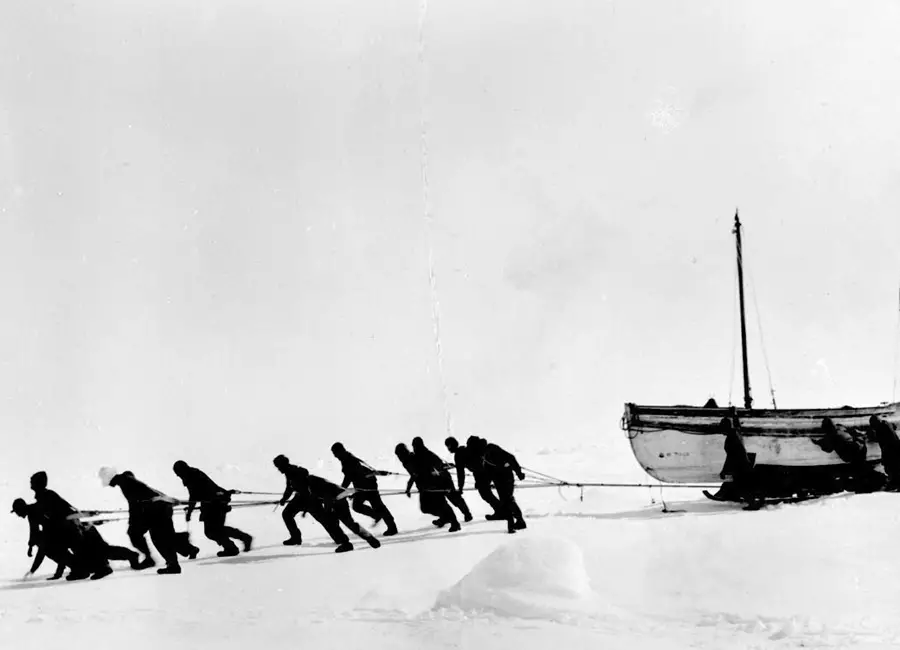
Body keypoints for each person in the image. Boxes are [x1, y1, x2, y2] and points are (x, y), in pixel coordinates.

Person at [100, 467, 199, 575]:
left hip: (157, 510)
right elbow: (139, 499)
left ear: (109, 478)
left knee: (158, 537)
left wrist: (166, 499)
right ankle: (187, 549)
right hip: (155, 509)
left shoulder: (126, 481)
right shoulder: (125, 480)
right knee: (160, 536)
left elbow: (143, 495)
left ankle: (170, 564)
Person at [273, 455, 381, 553]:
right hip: (336, 497)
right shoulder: (301, 479)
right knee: (344, 522)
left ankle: (349, 542)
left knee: (337, 521)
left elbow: (326, 496)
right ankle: (365, 539)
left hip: (336, 499)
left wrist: (326, 510)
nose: (278, 469)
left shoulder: (311, 483)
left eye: (279, 467)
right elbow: (295, 489)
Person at [172, 460, 253, 557]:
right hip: (214, 503)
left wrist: (189, 512)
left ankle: (236, 544)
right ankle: (236, 543)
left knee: (213, 531)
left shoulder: (191, 477)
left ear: (182, 471)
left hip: (215, 504)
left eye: (178, 473)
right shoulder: (193, 474)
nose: (178, 476)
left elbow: (194, 496)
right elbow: (198, 495)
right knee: (214, 531)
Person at [29, 471, 97, 580]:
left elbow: (62, 511)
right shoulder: (45, 496)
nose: (30, 484)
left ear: (38, 483)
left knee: (69, 549)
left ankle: (82, 571)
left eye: (32, 482)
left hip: (68, 527)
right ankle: (82, 569)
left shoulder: (47, 496)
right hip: (67, 527)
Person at [330, 443, 398, 536]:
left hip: (368, 486)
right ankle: (376, 515)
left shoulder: (349, 460)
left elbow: (351, 477)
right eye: (334, 454)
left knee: (378, 506)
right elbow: (351, 477)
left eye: (335, 453)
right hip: (362, 486)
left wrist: (344, 490)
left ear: (341, 451)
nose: (335, 456)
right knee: (357, 506)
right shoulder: (346, 459)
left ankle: (392, 527)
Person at [466, 436, 527, 533]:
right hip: (497, 479)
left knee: (508, 500)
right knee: (504, 501)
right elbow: (487, 470)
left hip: (506, 477)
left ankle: (520, 522)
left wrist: (519, 473)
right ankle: (513, 522)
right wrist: (482, 483)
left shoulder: (492, 448)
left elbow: (511, 458)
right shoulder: (482, 454)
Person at [394, 443, 460, 532]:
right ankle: (445, 518)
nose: (399, 457)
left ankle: (455, 523)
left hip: (433, 484)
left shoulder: (412, 459)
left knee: (441, 504)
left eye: (399, 454)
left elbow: (415, 474)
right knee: (426, 508)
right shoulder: (406, 461)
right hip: (424, 487)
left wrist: (408, 488)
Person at [411, 437, 471, 523]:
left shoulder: (426, 454)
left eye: (415, 446)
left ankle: (466, 514)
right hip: (435, 481)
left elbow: (438, 465)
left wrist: (438, 470)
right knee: (440, 502)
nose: (414, 448)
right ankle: (445, 518)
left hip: (443, 479)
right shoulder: (421, 455)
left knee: (453, 498)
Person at [11, 498, 72, 581]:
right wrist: (30, 546)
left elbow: (42, 549)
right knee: (46, 545)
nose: (18, 515)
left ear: (21, 509)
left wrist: (32, 570)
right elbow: (33, 531)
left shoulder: (34, 512)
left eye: (17, 512)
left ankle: (64, 567)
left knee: (49, 547)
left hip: (62, 527)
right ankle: (65, 565)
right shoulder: (31, 513)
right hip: (57, 528)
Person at [445, 436, 502, 519]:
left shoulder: (459, 455)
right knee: (486, 493)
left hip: (482, 473)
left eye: (448, 446)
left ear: (451, 446)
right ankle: (502, 510)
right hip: (487, 470)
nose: (448, 449)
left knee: (485, 494)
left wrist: (460, 487)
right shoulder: (465, 450)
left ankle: (502, 511)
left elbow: (461, 473)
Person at [870, 415, 900, 487]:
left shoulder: (880, 429)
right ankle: (895, 482)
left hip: (892, 451)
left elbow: (885, 445)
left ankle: (896, 483)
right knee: (894, 467)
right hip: (896, 448)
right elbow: (894, 426)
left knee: (892, 467)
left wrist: (884, 458)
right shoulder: (886, 423)